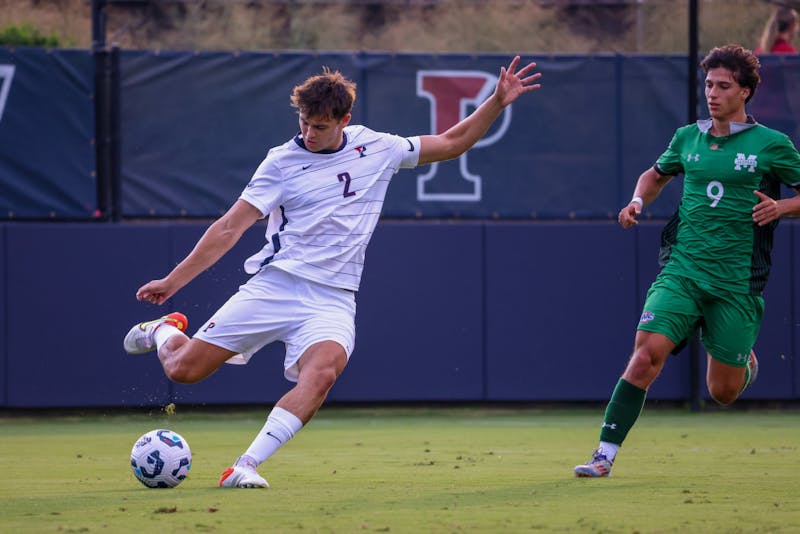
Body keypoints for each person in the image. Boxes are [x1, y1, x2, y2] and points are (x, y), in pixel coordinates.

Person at [123, 56, 542, 488]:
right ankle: (164, 330)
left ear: (344, 120)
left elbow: (453, 142)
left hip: (334, 298)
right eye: (304, 122)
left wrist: (495, 101)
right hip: (277, 285)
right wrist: (172, 283)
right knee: (184, 370)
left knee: (322, 373)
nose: (308, 133)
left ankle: (245, 465)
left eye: (320, 126)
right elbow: (229, 227)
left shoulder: (378, 148)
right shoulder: (280, 162)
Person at [574, 44, 800, 478]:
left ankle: (743, 361)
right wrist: (637, 200)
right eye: (708, 84)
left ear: (746, 91)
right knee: (645, 356)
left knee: (723, 392)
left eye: (724, 85)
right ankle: (604, 455)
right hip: (683, 269)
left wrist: (781, 207)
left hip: (736, 281)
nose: (712, 93)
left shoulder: (772, 144)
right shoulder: (687, 137)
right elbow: (654, 176)